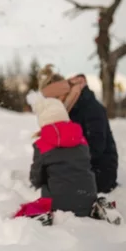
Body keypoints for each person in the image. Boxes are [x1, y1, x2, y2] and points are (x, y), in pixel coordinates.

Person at [13, 91, 97, 224]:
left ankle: (41, 215)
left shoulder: (42, 144)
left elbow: (36, 176)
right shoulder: (82, 140)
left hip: (57, 203)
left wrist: (38, 182)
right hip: (87, 198)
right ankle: (98, 208)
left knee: (29, 208)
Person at [37, 65, 119, 194]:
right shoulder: (67, 110)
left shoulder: (91, 108)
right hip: (81, 168)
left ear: (61, 95)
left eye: (52, 101)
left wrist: (66, 162)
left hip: (100, 173)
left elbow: (96, 147)